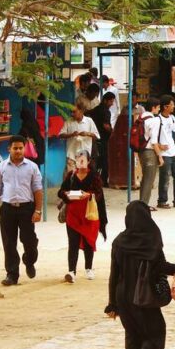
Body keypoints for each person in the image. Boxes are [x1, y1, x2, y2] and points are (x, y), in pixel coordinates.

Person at [105, 201, 175, 349]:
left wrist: (112, 303)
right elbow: (160, 266)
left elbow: (114, 274)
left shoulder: (120, 241)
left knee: (133, 336)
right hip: (144, 295)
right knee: (156, 335)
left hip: (122, 296)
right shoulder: (151, 239)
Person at [0, 135, 43, 286]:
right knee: (9, 243)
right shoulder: (2, 167)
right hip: (7, 209)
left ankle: (29, 260)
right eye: (15, 148)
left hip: (27, 209)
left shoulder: (32, 167)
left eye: (20, 148)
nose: (18, 151)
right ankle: (12, 274)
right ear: (9, 149)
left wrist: (38, 211)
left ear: (24, 148)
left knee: (29, 240)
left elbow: (38, 189)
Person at [58, 152, 105, 283]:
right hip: (73, 215)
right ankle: (71, 271)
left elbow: (99, 194)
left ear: (89, 161)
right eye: (78, 160)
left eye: (83, 160)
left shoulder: (95, 176)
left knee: (89, 241)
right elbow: (60, 192)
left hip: (89, 214)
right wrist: (66, 194)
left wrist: (88, 195)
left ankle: (89, 268)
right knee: (72, 243)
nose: (80, 162)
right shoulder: (71, 175)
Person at [136, 98, 162, 208]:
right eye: (158, 107)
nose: (159, 109)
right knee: (149, 179)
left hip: (141, 151)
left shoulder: (141, 117)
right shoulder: (154, 120)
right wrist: (160, 156)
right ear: (153, 108)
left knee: (145, 178)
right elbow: (154, 141)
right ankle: (143, 205)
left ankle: (142, 202)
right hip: (150, 152)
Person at [59, 105, 99, 175]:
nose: (72, 114)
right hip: (71, 153)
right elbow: (60, 135)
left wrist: (87, 133)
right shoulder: (68, 122)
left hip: (84, 154)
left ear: (81, 112)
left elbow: (96, 136)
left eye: (74, 112)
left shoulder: (89, 121)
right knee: (70, 176)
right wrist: (71, 134)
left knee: (81, 177)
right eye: (71, 112)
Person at [88, 91, 114, 186]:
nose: (112, 104)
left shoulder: (95, 110)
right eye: (111, 101)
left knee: (95, 160)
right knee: (105, 161)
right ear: (105, 100)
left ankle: (93, 180)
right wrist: (113, 132)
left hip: (94, 139)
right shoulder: (106, 111)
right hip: (103, 139)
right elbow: (106, 126)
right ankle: (103, 180)